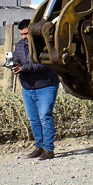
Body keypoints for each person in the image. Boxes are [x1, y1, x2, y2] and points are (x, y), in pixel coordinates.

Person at [12, 19, 60, 160]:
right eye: (22, 34)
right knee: (33, 119)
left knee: (45, 117)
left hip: (46, 86)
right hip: (27, 88)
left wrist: (23, 68)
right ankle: (39, 146)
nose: (24, 37)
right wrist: (14, 64)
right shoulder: (20, 45)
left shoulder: (44, 45)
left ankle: (48, 149)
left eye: (26, 33)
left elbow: (44, 63)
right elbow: (17, 57)